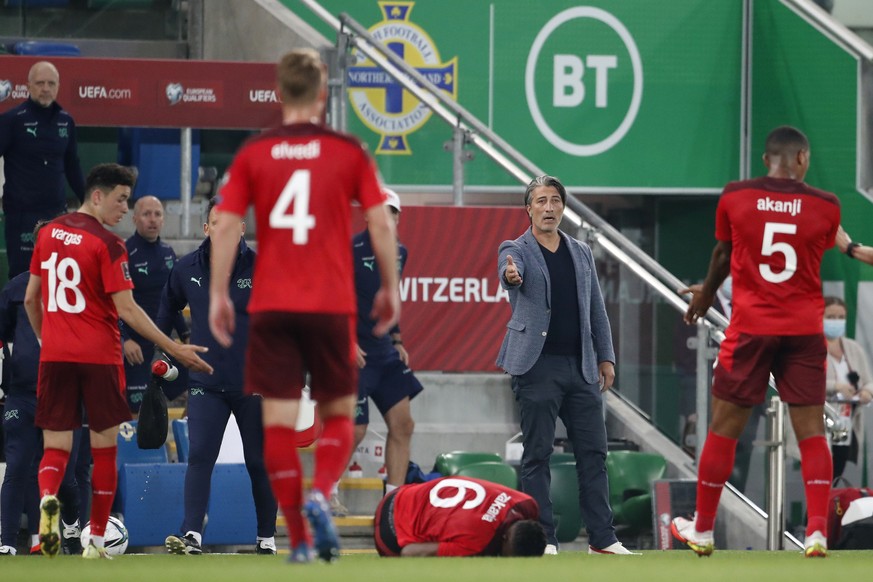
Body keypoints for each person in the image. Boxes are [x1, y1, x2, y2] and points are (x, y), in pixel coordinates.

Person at [207, 49, 400, 564]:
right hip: (329, 303)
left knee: (276, 425)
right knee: (338, 413)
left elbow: (225, 224)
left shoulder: (255, 151)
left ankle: (299, 538)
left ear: (277, 93)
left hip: (271, 305)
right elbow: (381, 222)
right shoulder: (348, 149)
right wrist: (390, 286)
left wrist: (220, 292)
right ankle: (320, 495)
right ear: (322, 94)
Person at [24, 163, 213, 560]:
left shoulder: (47, 234)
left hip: (55, 357)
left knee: (55, 447)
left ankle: (47, 503)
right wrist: (175, 348)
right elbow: (128, 310)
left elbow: (31, 299)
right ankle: (95, 538)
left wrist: (47, 340)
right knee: (104, 449)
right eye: (121, 199)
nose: (125, 209)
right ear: (97, 195)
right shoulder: (109, 245)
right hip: (100, 358)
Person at [671, 126, 840, 558]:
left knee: (724, 429)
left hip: (750, 329)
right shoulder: (826, 206)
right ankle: (818, 532)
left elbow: (722, 256)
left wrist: (706, 295)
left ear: (767, 159)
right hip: (803, 331)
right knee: (812, 432)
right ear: (802, 158)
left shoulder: (736, 196)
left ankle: (703, 530)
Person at [496, 174, 633, 556]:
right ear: (529, 208)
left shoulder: (581, 251)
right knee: (537, 454)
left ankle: (603, 539)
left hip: (583, 368)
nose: (549, 208)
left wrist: (606, 357)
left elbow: (596, 310)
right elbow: (508, 273)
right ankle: (545, 539)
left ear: (563, 206)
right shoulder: (516, 248)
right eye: (540, 201)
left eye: (555, 200)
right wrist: (511, 276)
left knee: (594, 453)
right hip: (536, 367)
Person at [159, 198, 277, 556]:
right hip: (206, 385)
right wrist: (172, 349)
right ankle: (192, 534)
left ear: (242, 228)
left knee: (259, 461)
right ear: (206, 228)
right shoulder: (185, 268)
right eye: (216, 222)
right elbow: (165, 312)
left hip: (254, 385)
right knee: (200, 456)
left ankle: (266, 538)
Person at [0, 220, 91, 557]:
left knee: (67, 476)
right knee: (18, 465)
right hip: (23, 395)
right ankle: (7, 543)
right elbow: (3, 334)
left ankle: (70, 527)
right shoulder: (16, 288)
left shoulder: (80, 290)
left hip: (66, 395)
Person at [352, 188, 423, 497]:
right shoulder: (349, 249)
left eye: (392, 212)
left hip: (383, 352)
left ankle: (393, 501)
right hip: (351, 350)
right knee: (355, 429)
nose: (387, 218)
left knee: (404, 424)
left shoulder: (400, 252)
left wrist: (397, 339)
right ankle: (325, 497)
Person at [0, 61, 85, 278]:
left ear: (58, 86)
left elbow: (72, 166)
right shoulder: (12, 120)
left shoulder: (66, 121)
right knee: (23, 277)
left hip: (56, 214)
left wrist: (90, 204)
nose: (45, 88)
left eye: (50, 83)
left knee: (58, 275)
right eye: (40, 83)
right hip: (22, 215)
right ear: (28, 86)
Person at [122, 195, 189, 413]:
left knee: (202, 380)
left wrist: (186, 336)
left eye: (157, 214)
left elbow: (173, 300)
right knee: (138, 410)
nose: (152, 219)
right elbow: (111, 304)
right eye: (146, 214)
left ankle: (189, 441)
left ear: (163, 220)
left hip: (163, 343)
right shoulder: (123, 253)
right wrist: (125, 340)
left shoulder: (168, 253)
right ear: (134, 219)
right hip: (136, 347)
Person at [374, 476, 546, 557]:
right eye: (504, 555)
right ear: (505, 538)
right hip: (390, 532)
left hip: (404, 491)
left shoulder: (526, 503)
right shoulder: (477, 543)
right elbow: (409, 553)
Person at [822, 296, 873, 479]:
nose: (836, 322)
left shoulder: (853, 348)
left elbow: (868, 381)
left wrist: (867, 392)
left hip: (846, 420)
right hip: (820, 420)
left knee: (837, 471)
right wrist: (836, 386)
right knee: (820, 470)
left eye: (840, 317)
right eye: (831, 317)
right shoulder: (812, 347)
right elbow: (805, 384)